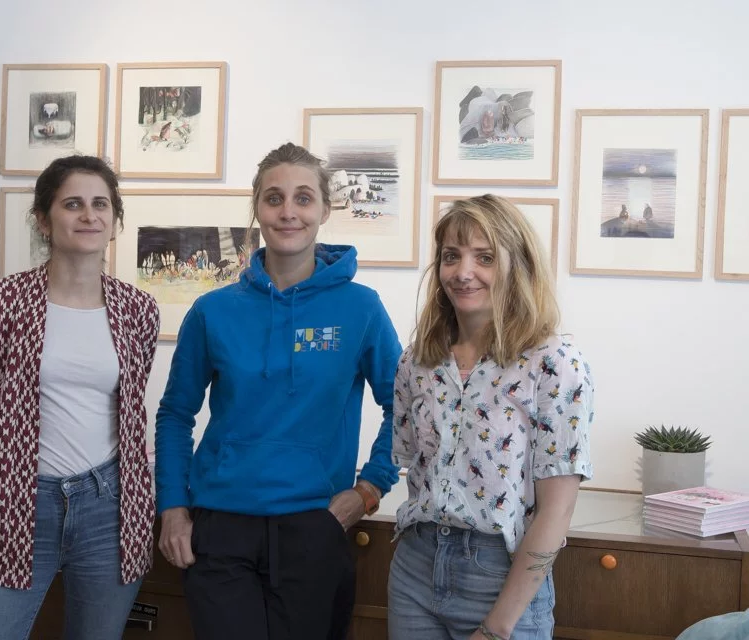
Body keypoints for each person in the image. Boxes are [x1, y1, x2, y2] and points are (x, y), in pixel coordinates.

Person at [153, 142, 402, 640]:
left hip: (315, 524)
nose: (289, 211)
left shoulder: (362, 309)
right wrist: (173, 508)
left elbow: (407, 408)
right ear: (258, 210)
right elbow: (175, 414)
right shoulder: (212, 311)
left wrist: (369, 489)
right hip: (219, 526)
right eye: (274, 198)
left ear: (325, 210)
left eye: (303, 198)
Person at [0, 155, 161, 640]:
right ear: (44, 219)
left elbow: (130, 411)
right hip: (15, 500)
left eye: (101, 204)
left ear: (114, 219)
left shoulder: (137, 309)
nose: (89, 215)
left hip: (109, 507)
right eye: (73, 204)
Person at [388, 194, 594, 640]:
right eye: (451, 257)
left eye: (485, 257)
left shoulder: (555, 363)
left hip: (501, 575)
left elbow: (556, 512)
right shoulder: (416, 362)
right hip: (415, 568)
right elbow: (417, 473)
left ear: (516, 265)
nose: (463, 272)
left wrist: (499, 626)